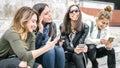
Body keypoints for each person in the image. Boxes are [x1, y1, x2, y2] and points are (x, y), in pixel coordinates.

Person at [33, 3, 65, 68]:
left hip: (49, 54)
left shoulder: (52, 25)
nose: (50, 15)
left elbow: (53, 44)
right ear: (39, 16)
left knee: (59, 49)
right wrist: (40, 29)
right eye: (46, 14)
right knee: (49, 50)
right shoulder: (33, 26)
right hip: (37, 54)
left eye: (49, 12)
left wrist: (58, 42)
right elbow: (35, 47)